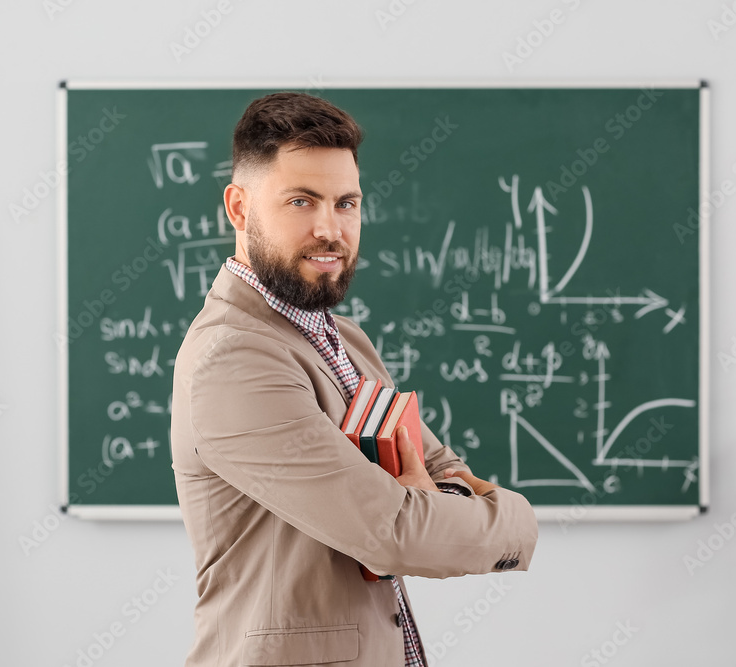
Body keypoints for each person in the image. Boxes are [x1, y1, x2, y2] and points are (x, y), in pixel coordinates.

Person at [171, 91, 538, 667]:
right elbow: (394, 531)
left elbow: (441, 471)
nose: (330, 229)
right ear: (239, 209)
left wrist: (432, 500)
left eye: (346, 203)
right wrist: (513, 519)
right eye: (301, 201)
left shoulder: (344, 339)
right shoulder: (235, 357)